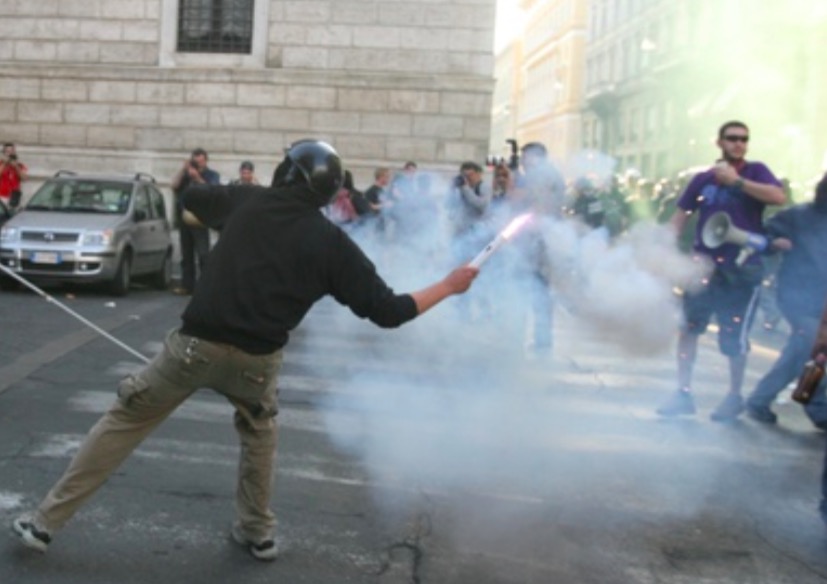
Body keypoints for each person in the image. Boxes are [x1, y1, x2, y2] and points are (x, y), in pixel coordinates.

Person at [11, 139, 479, 560]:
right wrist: (449, 285)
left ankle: (44, 523)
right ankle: (258, 533)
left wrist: (223, 190)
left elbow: (192, 198)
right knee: (259, 436)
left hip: (192, 350)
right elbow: (390, 311)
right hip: (257, 363)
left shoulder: (247, 200)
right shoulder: (332, 243)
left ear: (288, 173)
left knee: (123, 421)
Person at [657, 121, 786, 421]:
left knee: (733, 336)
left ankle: (733, 396)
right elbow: (680, 216)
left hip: (743, 269)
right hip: (704, 266)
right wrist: (664, 250)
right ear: (719, 142)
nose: (739, 144)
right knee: (689, 329)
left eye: (744, 139)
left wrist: (737, 183)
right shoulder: (703, 179)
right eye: (732, 139)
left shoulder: (756, 171)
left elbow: (777, 197)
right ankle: (683, 393)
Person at [745, 173, 827, 428]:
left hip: (822, 299)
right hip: (798, 295)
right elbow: (763, 235)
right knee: (805, 345)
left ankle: (818, 408)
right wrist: (775, 242)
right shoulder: (798, 216)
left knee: (813, 349)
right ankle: (762, 400)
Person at [514, 141, 566, 356]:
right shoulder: (551, 174)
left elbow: (531, 205)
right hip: (544, 240)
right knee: (540, 292)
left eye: (524, 157)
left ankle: (534, 338)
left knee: (532, 291)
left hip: (537, 242)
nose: (522, 161)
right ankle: (542, 339)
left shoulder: (540, 175)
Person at [170, 148, 220, 296]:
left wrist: (198, 178)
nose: (197, 164)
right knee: (186, 254)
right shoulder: (186, 175)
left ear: (205, 160)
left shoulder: (211, 175)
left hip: (200, 218)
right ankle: (187, 286)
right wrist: (183, 170)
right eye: (194, 161)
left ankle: (206, 285)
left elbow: (214, 190)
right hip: (185, 216)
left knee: (203, 253)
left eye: (200, 160)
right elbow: (174, 186)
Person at [0, 142, 28, 211]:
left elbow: (24, 178)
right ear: (4, 153)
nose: (10, 153)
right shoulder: (1, 164)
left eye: (12, 151)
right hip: (2, 196)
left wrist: (16, 167)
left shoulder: (20, 165)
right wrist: (4, 164)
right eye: (8, 151)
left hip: (14, 196)